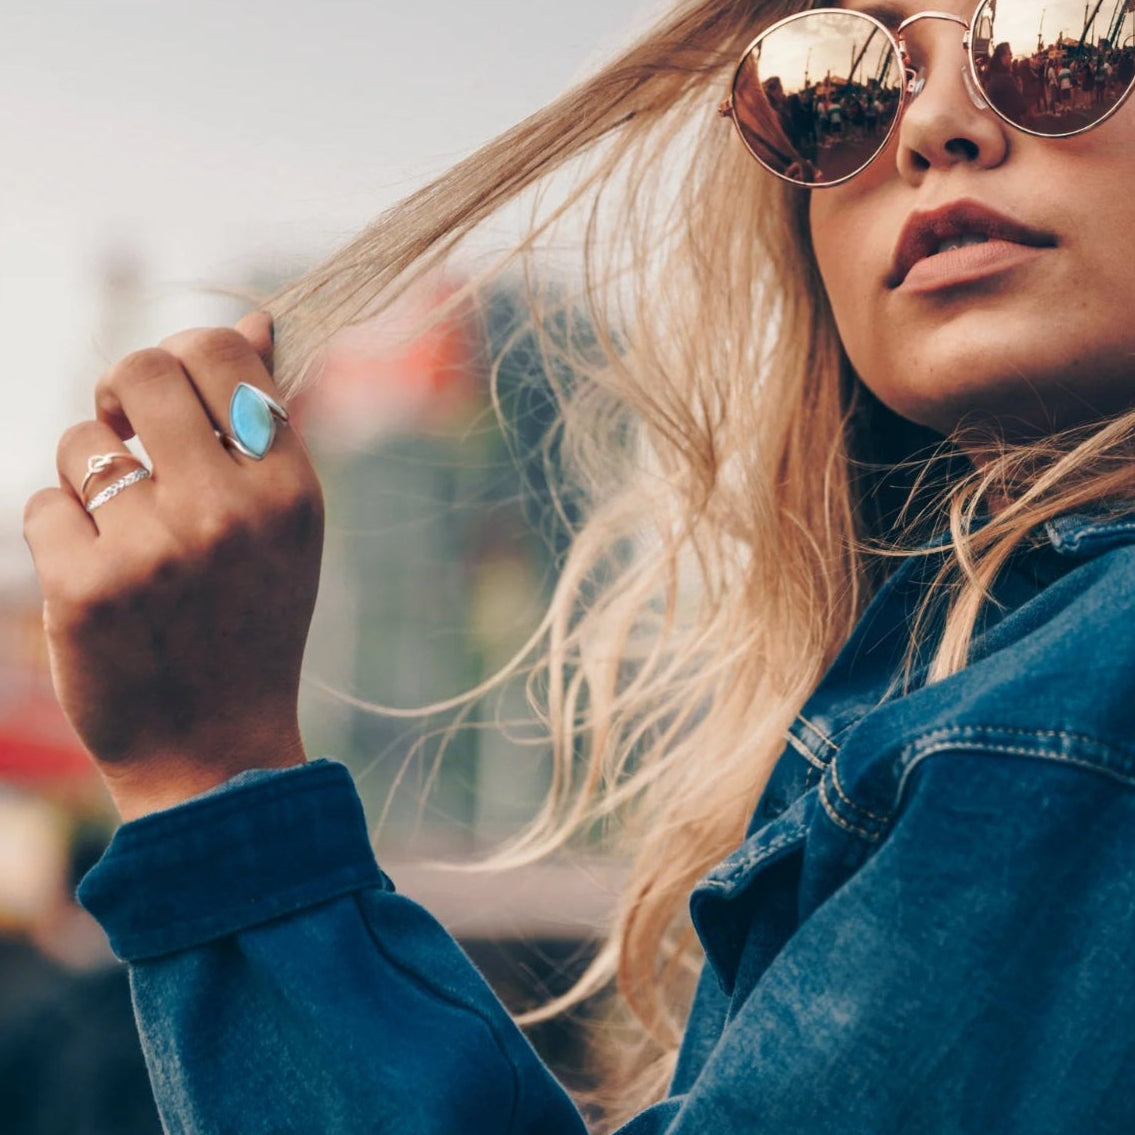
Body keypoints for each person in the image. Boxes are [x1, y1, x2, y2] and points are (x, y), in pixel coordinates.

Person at [21, 0, 1135, 1129]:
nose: (930, 123)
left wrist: (208, 776)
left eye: (1060, 36)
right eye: (837, 80)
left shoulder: (1076, 707)